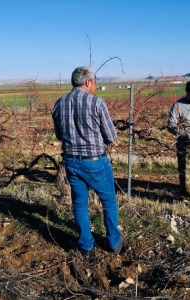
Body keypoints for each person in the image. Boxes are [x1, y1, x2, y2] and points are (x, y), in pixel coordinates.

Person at [52, 66, 123, 256]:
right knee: (108, 201)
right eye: (95, 83)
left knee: (79, 204)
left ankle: (86, 245)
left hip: (71, 162)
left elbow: (59, 135)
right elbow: (110, 136)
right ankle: (114, 242)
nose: (95, 86)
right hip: (95, 162)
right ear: (88, 82)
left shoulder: (59, 104)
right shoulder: (97, 103)